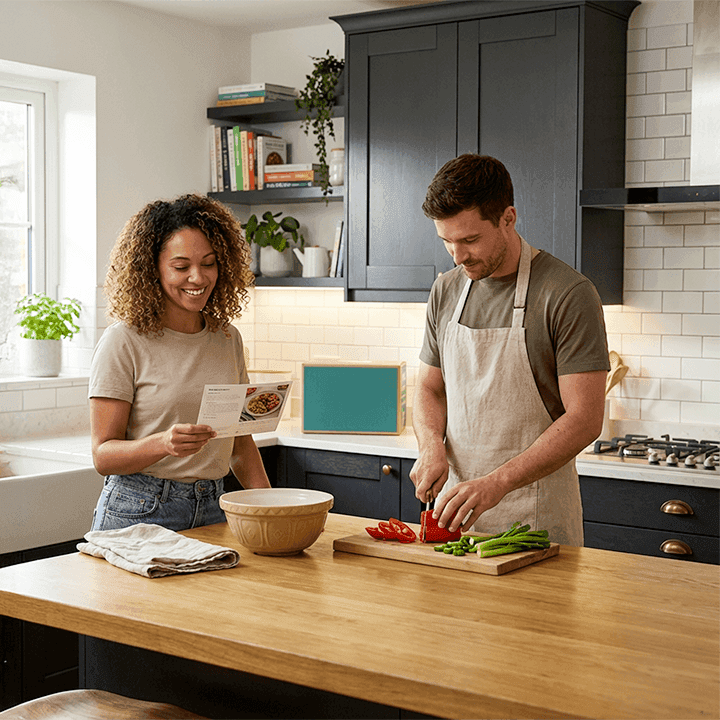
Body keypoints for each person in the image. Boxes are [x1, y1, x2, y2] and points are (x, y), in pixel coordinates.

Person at [410, 155, 609, 546]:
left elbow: (585, 419)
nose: (457, 255)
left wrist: (497, 483)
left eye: (469, 239)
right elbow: (429, 388)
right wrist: (430, 443)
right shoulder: (446, 290)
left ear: (508, 218)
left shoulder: (567, 294)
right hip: (456, 520)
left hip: (535, 524)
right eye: (446, 241)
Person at [88, 193, 270, 532]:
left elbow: (240, 445)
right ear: (152, 268)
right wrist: (162, 443)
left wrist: (274, 509)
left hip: (215, 508)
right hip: (140, 511)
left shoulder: (227, 337)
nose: (198, 278)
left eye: (209, 263)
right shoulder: (124, 340)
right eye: (181, 266)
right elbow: (103, 455)